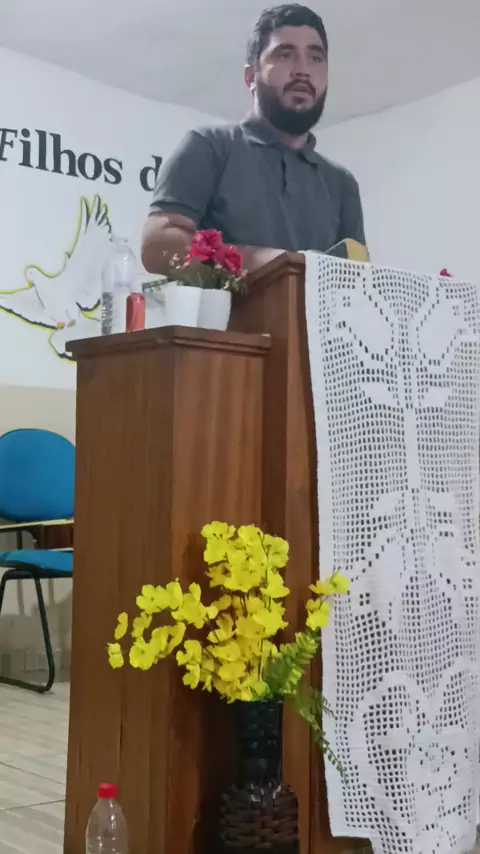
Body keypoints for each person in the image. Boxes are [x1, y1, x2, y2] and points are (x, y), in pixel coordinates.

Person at [141, 3, 365, 274]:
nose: (302, 69)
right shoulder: (209, 146)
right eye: (285, 54)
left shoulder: (342, 184)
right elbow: (158, 246)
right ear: (251, 77)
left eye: (316, 57)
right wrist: (270, 263)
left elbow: (356, 280)